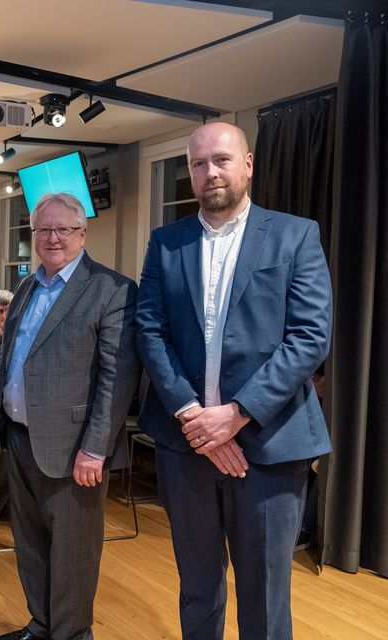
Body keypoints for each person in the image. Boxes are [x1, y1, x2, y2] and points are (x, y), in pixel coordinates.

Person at [135, 121, 332, 640]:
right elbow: (149, 330)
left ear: (247, 164)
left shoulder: (295, 234)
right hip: (187, 444)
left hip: (270, 444)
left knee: (265, 594)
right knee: (197, 586)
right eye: (198, 164)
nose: (209, 172)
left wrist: (237, 413)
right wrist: (192, 416)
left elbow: (310, 338)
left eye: (221, 160)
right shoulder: (166, 242)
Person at [0, 193, 140, 640]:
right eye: (43, 230)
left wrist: (96, 448)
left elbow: (118, 378)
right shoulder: (26, 286)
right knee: (31, 542)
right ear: (33, 235)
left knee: (73, 552)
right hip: (18, 437)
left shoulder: (112, 289)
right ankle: (41, 625)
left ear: (82, 233)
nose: (52, 238)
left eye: (63, 229)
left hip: (74, 447)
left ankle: (72, 634)